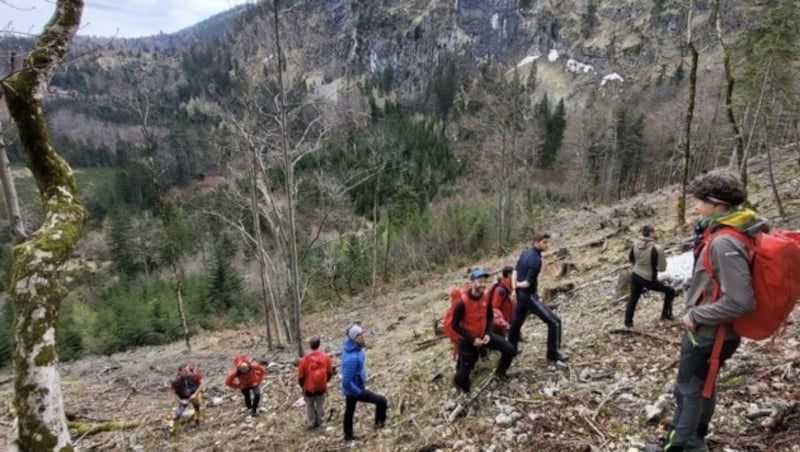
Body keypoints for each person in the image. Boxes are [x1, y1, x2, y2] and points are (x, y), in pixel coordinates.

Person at [648, 170, 766, 451]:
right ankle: (696, 439)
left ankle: (679, 446)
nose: (697, 207)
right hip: (720, 333)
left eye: (701, 201)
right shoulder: (733, 230)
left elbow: (741, 300)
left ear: (716, 204)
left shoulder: (725, 242)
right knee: (704, 386)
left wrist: (696, 315)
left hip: (709, 333)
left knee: (687, 390)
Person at [451, 268, 517, 392]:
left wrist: (487, 333)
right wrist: (472, 339)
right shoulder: (462, 303)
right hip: (467, 340)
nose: (482, 284)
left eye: (484, 282)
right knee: (464, 374)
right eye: (479, 281)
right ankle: (460, 386)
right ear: (472, 282)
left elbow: (490, 315)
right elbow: (454, 326)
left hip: (484, 335)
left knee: (510, 349)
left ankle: (500, 373)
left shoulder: (485, 297)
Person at [508, 232, 568, 363]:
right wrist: (517, 286)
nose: (547, 245)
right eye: (544, 242)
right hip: (528, 295)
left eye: (548, 242)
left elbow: (515, 271)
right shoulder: (536, 260)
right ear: (536, 242)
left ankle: (509, 350)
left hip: (521, 295)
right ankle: (553, 353)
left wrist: (514, 289)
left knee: (516, 323)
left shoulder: (525, 253)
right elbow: (527, 283)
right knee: (554, 322)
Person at [341, 324, 387, 441]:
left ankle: (348, 434)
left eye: (362, 334)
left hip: (354, 387)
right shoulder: (352, 358)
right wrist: (358, 392)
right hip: (354, 389)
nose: (362, 337)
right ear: (353, 338)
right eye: (359, 336)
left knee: (350, 410)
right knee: (381, 401)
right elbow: (346, 382)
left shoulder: (352, 347)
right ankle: (379, 426)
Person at [625, 225, 676, 328]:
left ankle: (628, 322)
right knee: (670, 291)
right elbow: (662, 268)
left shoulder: (635, 244)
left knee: (633, 298)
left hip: (635, 275)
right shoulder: (657, 248)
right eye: (655, 231)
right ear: (651, 234)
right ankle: (666, 314)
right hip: (648, 278)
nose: (657, 233)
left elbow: (631, 259)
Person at [297, 337, 334, 429]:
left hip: (309, 387)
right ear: (319, 344)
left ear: (310, 346)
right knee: (320, 403)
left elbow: (301, 376)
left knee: (309, 404)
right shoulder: (325, 357)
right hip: (321, 386)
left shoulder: (304, 359)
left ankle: (312, 422)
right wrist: (325, 381)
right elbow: (330, 372)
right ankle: (320, 420)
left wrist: (302, 386)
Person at [169, 363, 203, 433]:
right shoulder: (176, 381)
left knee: (197, 407)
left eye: (187, 370)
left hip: (194, 394)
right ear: (180, 372)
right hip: (183, 398)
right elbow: (173, 392)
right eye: (184, 371)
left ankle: (197, 421)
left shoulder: (194, 375)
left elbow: (201, 383)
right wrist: (180, 401)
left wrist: (195, 394)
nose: (186, 372)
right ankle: (175, 430)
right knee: (177, 414)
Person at [491, 266, 516, 336]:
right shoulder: (501, 290)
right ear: (509, 275)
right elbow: (494, 307)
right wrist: (502, 323)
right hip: (502, 323)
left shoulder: (509, 287)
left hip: (509, 318)